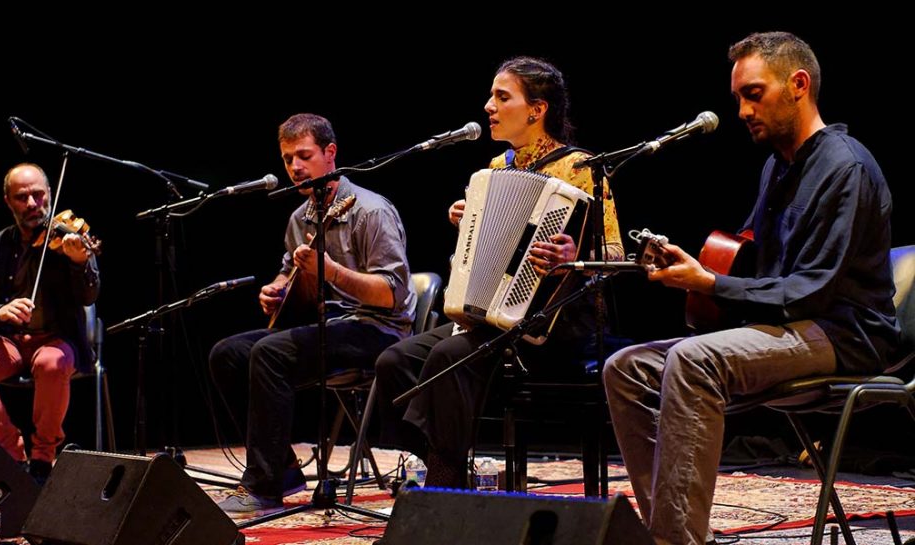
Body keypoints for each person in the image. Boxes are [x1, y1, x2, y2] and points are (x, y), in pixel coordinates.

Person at [603, 32, 899, 545]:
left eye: (753, 94)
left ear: (798, 85)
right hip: (792, 326)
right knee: (626, 368)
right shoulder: (776, 167)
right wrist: (691, 269)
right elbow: (753, 260)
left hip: (844, 334)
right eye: (738, 96)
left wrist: (712, 282)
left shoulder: (845, 167)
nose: (741, 110)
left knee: (695, 361)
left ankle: (678, 541)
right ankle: (668, 530)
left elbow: (811, 290)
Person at [375, 56, 624, 487]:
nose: (488, 105)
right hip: (492, 317)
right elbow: (483, 252)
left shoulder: (580, 168)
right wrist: (468, 219)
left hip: (554, 320)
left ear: (536, 109)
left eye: (501, 96)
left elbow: (617, 252)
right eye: (491, 95)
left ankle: (443, 485)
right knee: (394, 360)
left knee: (448, 356)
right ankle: (450, 464)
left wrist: (574, 253)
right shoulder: (495, 170)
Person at [209, 113, 417, 513]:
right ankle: (283, 468)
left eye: (304, 156)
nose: (295, 167)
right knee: (227, 353)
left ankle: (263, 487)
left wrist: (331, 268)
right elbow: (291, 272)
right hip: (329, 327)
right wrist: (276, 290)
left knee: (270, 354)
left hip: (379, 331)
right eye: (287, 159)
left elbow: (392, 294)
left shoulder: (371, 211)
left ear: (330, 153)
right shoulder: (300, 218)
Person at [0, 163, 100, 484]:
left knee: (51, 364)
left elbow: (89, 295)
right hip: (10, 341)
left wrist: (80, 262)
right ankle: (12, 455)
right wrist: (0, 312)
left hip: (56, 339)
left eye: (38, 195)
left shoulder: (68, 239)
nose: (32, 204)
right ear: (8, 201)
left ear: (49, 195)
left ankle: (42, 459)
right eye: (22, 198)